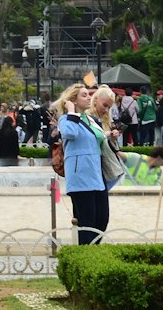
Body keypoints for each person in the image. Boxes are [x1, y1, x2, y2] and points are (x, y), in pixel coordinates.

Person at [55, 84, 109, 245]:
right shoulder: (66, 119)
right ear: (73, 100)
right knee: (87, 223)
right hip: (81, 178)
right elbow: (70, 133)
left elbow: (96, 139)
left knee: (102, 220)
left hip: (96, 175)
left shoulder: (89, 119)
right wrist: (71, 111)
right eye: (84, 95)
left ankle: (92, 253)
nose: (89, 98)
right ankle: (86, 255)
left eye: (88, 94)